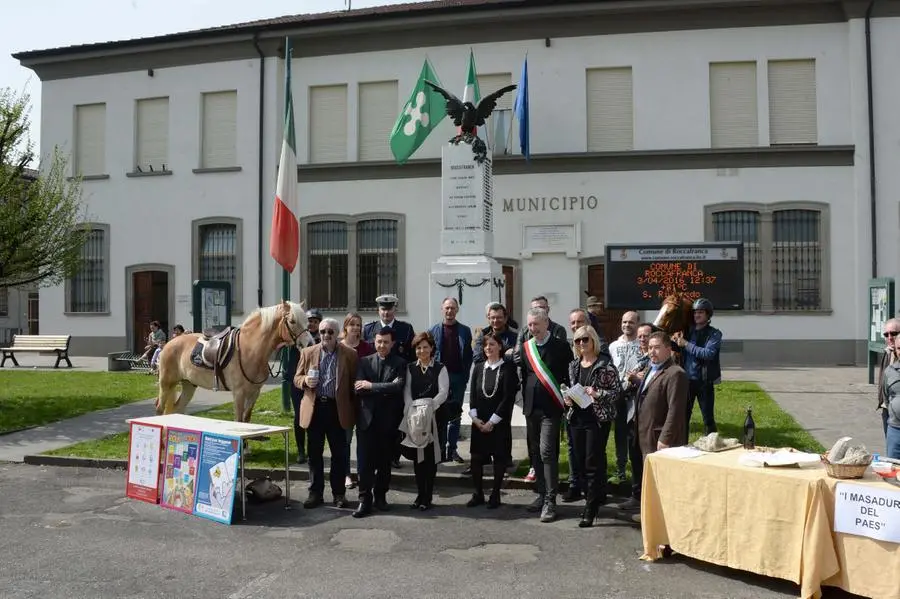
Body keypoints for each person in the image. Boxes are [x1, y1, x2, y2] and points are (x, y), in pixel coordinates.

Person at [293, 317, 359, 509]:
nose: (326, 335)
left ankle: (339, 494)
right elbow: (296, 378)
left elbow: (354, 382)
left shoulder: (350, 354)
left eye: (330, 331)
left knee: (338, 454)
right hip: (315, 409)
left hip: (337, 409)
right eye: (322, 332)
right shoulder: (308, 352)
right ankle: (315, 493)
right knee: (314, 454)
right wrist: (305, 380)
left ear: (337, 334)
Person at [517, 307, 572, 523]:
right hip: (532, 409)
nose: (533, 329)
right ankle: (541, 494)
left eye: (536, 325)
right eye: (530, 325)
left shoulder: (560, 346)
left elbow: (568, 374)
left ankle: (551, 500)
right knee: (535, 453)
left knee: (547, 451)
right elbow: (524, 374)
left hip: (551, 409)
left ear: (546, 323)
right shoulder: (526, 348)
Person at [565, 325, 620, 527]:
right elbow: (572, 389)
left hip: (596, 420)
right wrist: (568, 399)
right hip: (576, 418)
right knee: (579, 463)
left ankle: (590, 507)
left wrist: (597, 394)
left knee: (592, 463)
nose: (581, 344)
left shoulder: (605, 365)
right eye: (578, 340)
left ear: (593, 341)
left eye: (585, 340)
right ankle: (592, 498)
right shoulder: (574, 365)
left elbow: (616, 393)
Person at [352, 327, 407, 517]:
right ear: (374, 342)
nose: (382, 345)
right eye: (378, 341)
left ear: (392, 343)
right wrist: (383, 387)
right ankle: (364, 501)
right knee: (365, 465)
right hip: (366, 422)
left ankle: (381, 497)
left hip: (388, 422)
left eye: (385, 342)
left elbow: (398, 387)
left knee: (384, 463)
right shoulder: (364, 362)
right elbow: (358, 388)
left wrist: (371, 386)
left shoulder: (399, 363)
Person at [466, 331, 517, 509]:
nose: (488, 348)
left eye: (492, 345)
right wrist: (475, 418)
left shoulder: (507, 369)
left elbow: (508, 398)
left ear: (500, 347)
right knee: (476, 458)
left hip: (498, 421)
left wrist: (492, 422)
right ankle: (478, 493)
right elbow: (472, 394)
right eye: (486, 345)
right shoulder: (479, 367)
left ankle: (495, 494)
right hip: (479, 422)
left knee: (499, 458)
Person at [398, 332, 449, 510]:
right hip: (415, 418)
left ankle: (428, 497)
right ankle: (419, 495)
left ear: (432, 348)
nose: (422, 350)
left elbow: (443, 392)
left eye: (425, 347)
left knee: (430, 457)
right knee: (417, 458)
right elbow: (407, 391)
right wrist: (411, 410)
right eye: (418, 347)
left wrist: (429, 408)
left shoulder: (440, 368)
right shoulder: (411, 368)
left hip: (434, 416)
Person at [429, 297, 473, 464]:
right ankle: (439, 450)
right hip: (439, 378)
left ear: (457, 310)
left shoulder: (464, 331)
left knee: (455, 414)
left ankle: (452, 449)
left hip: (457, 377)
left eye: (453, 308)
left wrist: (465, 376)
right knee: (439, 414)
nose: (449, 311)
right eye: (447, 308)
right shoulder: (433, 330)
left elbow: (468, 356)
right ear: (442, 309)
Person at [672, 298, 723, 435]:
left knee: (708, 419)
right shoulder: (688, 332)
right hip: (686, 381)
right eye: (695, 313)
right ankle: (681, 446)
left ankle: (712, 445)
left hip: (704, 382)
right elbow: (677, 347)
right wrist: (673, 340)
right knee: (683, 417)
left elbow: (708, 353)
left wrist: (686, 344)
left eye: (700, 312)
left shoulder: (714, 334)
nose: (697, 315)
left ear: (708, 315)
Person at [340, 312, 374, 490]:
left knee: (363, 440)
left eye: (358, 325)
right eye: (352, 324)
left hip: (363, 402)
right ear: (345, 327)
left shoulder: (367, 348)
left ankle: (362, 472)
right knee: (345, 440)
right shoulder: (339, 347)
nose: (355, 328)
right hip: (345, 401)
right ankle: (346, 474)